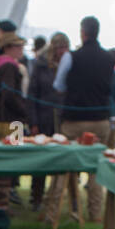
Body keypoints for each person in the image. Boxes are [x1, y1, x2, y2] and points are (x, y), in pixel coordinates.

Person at [49, 15, 115, 221]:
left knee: (61, 167)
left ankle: (52, 212)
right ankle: (95, 214)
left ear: (82, 33)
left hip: (74, 120)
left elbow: (58, 85)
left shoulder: (71, 57)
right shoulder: (109, 58)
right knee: (96, 168)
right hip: (101, 120)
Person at [26, 31, 69, 210]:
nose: (62, 52)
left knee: (59, 158)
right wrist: (33, 122)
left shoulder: (68, 65)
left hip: (61, 118)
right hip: (43, 118)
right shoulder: (40, 65)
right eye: (60, 48)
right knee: (41, 160)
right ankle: (36, 196)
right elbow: (32, 95)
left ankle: (55, 197)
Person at [0, 31, 29, 210]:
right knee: (9, 162)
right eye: (19, 46)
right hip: (12, 121)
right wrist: (24, 110)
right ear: (9, 48)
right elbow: (10, 95)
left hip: (0, 118)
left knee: (1, 162)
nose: (21, 50)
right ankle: (2, 204)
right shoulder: (10, 67)